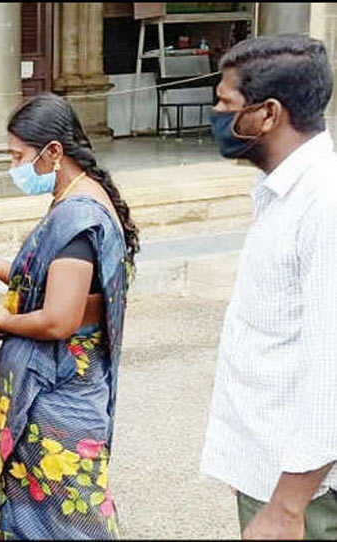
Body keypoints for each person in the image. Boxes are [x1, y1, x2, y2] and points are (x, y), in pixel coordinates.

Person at [0, 93, 140, 539]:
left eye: (18, 157)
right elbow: (54, 286)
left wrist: (0, 324)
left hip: (60, 396)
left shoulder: (77, 219)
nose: (15, 168)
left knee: (69, 522)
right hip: (62, 388)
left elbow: (59, 318)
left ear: (53, 152)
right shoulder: (80, 197)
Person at [200, 35, 337, 540]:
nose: (215, 113)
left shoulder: (324, 204)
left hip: (304, 491)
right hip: (271, 471)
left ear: (268, 114)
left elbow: (332, 366)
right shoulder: (283, 194)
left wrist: (287, 506)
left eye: (225, 103)